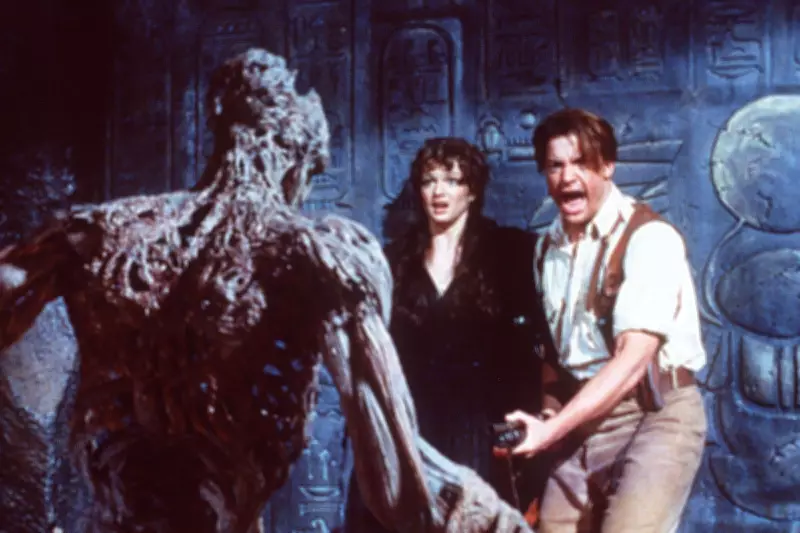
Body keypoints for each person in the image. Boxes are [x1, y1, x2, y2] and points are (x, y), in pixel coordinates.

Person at [0, 49, 534, 533]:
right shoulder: (315, 255)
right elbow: (398, 488)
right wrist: (497, 522)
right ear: (295, 158)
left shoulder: (103, 231)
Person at [495, 108, 707, 532]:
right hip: (587, 418)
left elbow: (632, 360)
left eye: (581, 163)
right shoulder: (547, 250)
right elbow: (555, 353)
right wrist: (548, 417)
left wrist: (552, 432)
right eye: (555, 165)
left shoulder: (649, 238)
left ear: (607, 166)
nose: (567, 177)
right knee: (550, 525)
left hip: (655, 412)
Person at [346, 137, 549, 532]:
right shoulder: (395, 261)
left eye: (452, 181)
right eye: (429, 181)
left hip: (480, 429)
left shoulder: (509, 252)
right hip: (411, 426)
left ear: (471, 191)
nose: (439, 192)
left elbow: (531, 350)